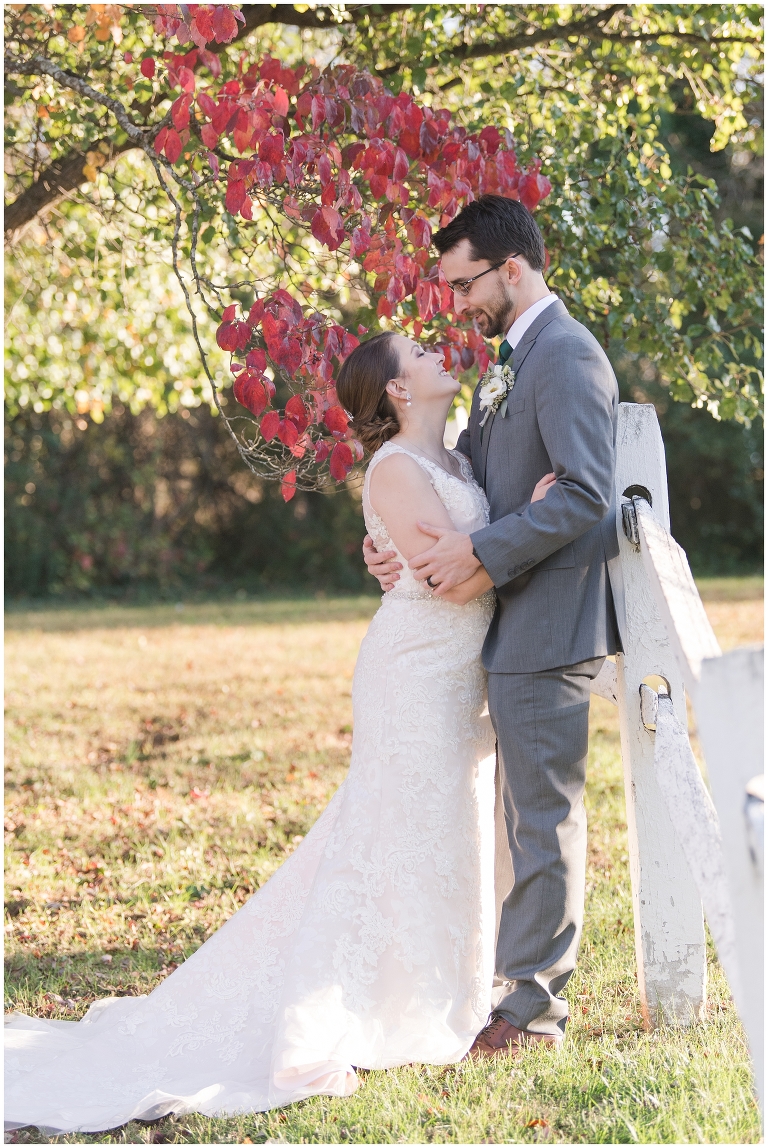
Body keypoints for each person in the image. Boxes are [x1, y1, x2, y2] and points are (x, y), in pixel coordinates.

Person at [4, 329, 552, 1135]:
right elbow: (448, 576)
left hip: (458, 677)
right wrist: (538, 522)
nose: (440, 353)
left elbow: (461, 553)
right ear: (397, 390)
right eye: (420, 354)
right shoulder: (395, 468)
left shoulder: (461, 462)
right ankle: (358, 999)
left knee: (440, 830)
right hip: (413, 676)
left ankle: (433, 991)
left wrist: (493, 534)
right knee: (396, 830)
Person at [364, 194, 622, 1059]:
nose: (458, 304)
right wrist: (402, 543)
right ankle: (511, 990)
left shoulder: (567, 354)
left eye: (465, 283)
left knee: (543, 821)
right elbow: (476, 481)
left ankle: (533, 1011)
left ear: (512, 267)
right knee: (518, 822)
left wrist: (484, 550)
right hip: (501, 625)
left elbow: (586, 492)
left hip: (551, 622)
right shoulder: (508, 361)